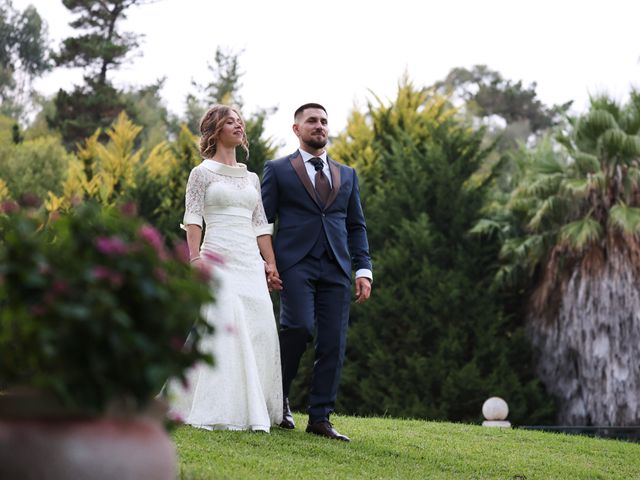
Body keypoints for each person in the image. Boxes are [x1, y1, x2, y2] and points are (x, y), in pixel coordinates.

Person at [261, 103, 372, 442]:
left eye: (324, 121)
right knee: (298, 327)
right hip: (295, 264)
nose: (319, 126)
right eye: (312, 121)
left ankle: (320, 418)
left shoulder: (347, 174)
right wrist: (267, 263)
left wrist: (363, 268)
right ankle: (278, 400)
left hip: (337, 267)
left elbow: (356, 225)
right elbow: (263, 221)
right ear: (297, 129)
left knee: (333, 343)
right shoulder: (277, 170)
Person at [170, 104, 283, 432]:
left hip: (249, 260)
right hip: (217, 257)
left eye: (239, 121)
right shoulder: (201, 173)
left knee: (260, 322)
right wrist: (194, 258)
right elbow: (192, 218)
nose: (238, 125)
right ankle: (217, 408)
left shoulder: (251, 177)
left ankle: (254, 405)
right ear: (215, 130)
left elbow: (260, 223)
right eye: (230, 121)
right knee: (224, 321)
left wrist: (271, 263)